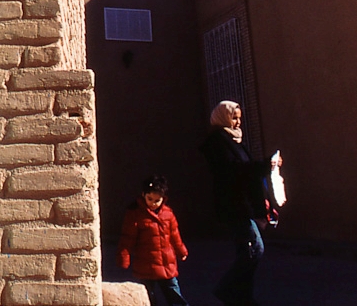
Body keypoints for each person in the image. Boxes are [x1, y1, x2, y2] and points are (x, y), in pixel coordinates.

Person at [200, 101, 283, 306]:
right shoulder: (217, 141)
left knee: (246, 251)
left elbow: (248, 172)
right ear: (223, 118)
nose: (237, 122)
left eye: (239, 118)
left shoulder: (234, 140)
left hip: (243, 204)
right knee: (255, 248)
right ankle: (227, 290)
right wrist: (265, 164)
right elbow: (235, 170)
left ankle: (242, 296)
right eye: (233, 117)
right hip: (233, 205)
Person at [117, 175, 191, 306]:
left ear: (163, 199)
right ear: (143, 195)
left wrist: (181, 251)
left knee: (174, 293)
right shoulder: (135, 214)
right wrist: (124, 257)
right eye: (150, 199)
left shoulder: (168, 214)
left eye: (157, 200)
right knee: (148, 297)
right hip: (145, 264)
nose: (153, 203)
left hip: (166, 263)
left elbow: (175, 236)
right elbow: (127, 238)